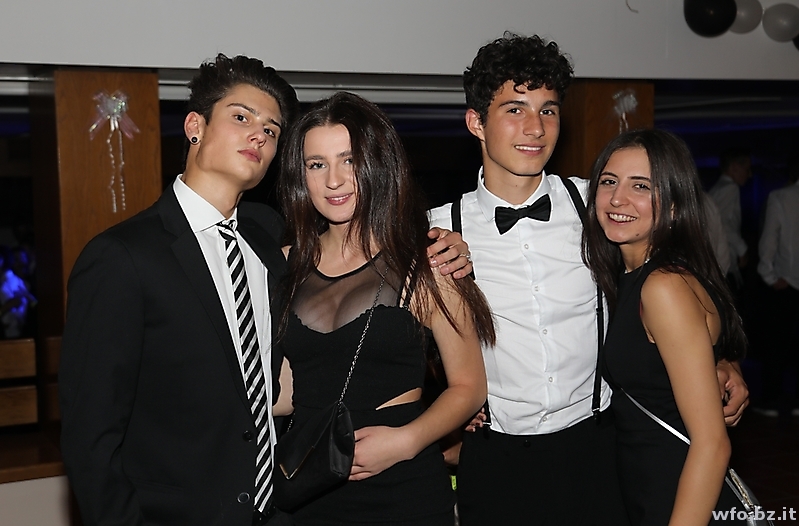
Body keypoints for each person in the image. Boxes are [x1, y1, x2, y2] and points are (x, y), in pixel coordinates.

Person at [59, 55, 471, 526]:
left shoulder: (270, 241)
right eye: (241, 117)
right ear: (195, 126)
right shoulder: (122, 257)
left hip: (282, 506)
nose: (258, 134)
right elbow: (91, 436)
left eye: (271, 130)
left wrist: (443, 246)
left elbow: (278, 381)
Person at [427, 33, 750, 526]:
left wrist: (721, 359)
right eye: (515, 109)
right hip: (495, 457)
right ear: (476, 122)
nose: (535, 128)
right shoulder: (437, 230)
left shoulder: (599, 205)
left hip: (599, 447)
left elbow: (684, 281)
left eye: (548, 110)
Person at [274, 91, 494, 525]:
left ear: (378, 164)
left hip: (403, 490)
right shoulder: (284, 265)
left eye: (349, 160)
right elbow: (285, 388)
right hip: (311, 489)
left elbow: (469, 386)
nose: (334, 180)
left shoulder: (428, 264)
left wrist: (405, 442)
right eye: (317, 164)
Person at [582, 128, 748, 525]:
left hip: (678, 491)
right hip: (647, 484)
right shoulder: (632, 276)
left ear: (673, 205)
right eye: (609, 181)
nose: (617, 198)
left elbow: (712, 444)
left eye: (641, 186)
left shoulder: (662, 286)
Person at [756, 155, 799, 418]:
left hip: (787, 284)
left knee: (777, 346)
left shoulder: (780, 197)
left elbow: (768, 241)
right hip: (788, 282)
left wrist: (769, 276)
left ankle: (772, 400)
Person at [708, 147, 752, 284]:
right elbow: (723, 224)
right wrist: (742, 249)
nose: (749, 174)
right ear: (734, 167)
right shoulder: (730, 188)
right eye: (747, 169)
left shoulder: (717, 188)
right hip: (724, 262)